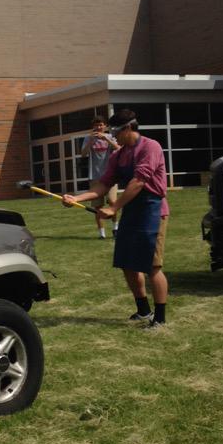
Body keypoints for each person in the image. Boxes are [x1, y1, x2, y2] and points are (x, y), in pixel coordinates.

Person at [62, 108, 169, 329]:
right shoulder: (118, 155)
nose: (113, 137)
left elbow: (139, 181)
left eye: (116, 132)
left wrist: (115, 207)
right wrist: (76, 198)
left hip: (153, 210)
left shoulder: (151, 147)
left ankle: (160, 317)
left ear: (129, 128)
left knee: (153, 266)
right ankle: (143, 310)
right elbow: (103, 184)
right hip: (132, 210)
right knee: (127, 263)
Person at [80, 116, 120, 238]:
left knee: (113, 202)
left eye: (101, 125)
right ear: (93, 127)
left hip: (111, 175)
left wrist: (107, 140)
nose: (98, 127)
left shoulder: (110, 137)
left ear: (105, 126)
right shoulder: (88, 138)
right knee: (98, 206)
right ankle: (101, 233)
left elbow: (119, 149)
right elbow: (83, 154)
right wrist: (91, 141)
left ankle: (115, 228)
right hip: (95, 176)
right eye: (96, 125)